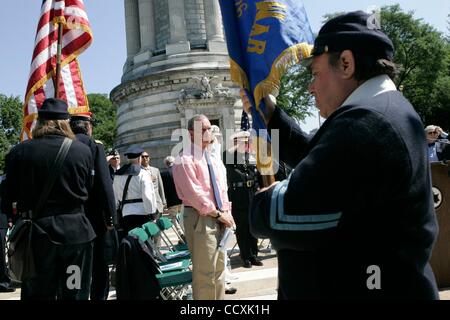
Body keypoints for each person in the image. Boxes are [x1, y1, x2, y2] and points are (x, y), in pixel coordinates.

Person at [244, 11, 439, 299]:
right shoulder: (383, 111)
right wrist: (270, 115)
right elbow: (322, 155)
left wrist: (269, 196)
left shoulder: (366, 125)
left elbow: (282, 215)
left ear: (346, 63)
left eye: (316, 73)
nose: (311, 87)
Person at [1, 98, 96, 300]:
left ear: (39, 122)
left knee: (39, 293)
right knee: (74, 291)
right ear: (66, 122)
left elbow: (9, 196)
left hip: (37, 236)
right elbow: (88, 190)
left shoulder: (18, 152)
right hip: (76, 235)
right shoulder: (83, 151)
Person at [172, 114, 235, 300]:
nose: (209, 132)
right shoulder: (184, 159)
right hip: (201, 218)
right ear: (191, 133)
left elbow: (222, 189)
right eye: (204, 129)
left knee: (220, 270)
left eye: (210, 128)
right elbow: (195, 194)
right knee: (205, 273)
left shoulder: (212, 158)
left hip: (220, 217)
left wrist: (227, 213)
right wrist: (218, 214)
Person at [70, 112, 116, 300]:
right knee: (99, 263)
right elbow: (104, 186)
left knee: (75, 265)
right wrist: (111, 216)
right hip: (95, 217)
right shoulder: (95, 147)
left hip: (72, 216)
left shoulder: (65, 146)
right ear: (88, 126)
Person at [224, 130, 262, 268]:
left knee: (253, 226)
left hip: (251, 194)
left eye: (246, 141)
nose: (245, 144)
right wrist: (236, 143)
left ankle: (254, 255)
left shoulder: (249, 156)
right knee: (242, 228)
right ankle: (245, 256)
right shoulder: (229, 155)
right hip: (238, 195)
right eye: (242, 141)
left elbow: (256, 175)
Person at [113, 146, 157, 235]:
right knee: (145, 245)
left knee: (132, 244)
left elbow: (115, 196)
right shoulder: (143, 173)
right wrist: (152, 214)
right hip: (142, 213)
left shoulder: (117, 175)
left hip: (125, 214)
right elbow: (147, 196)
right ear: (139, 158)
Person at [160, 156, 184, 238]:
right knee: (183, 217)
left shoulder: (162, 174)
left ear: (166, 164)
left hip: (171, 201)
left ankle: (181, 233)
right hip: (182, 199)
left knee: (174, 218)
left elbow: (162, 189)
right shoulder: (181, 171)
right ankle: (186, 233)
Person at [141, 151, 166, 220]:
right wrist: (148, 180)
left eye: (146, 156)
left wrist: (163, 201)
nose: (145, 158)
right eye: (142, 157)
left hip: (157, 203)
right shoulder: (138, 172)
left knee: (159, 227)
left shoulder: (155, 170)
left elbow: (160, 186)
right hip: (146, 205)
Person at [0, 176, 15, 293]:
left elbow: (6, 200)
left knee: (1, 253)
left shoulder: (3, 180)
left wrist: (10, 218)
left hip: (1, 221)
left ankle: (3, 282)